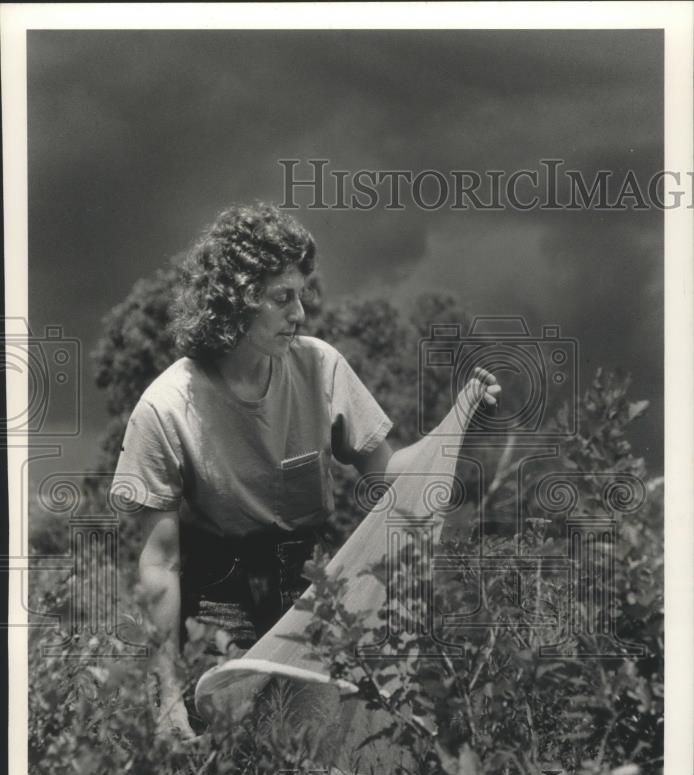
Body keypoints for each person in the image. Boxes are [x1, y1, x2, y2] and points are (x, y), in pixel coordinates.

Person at [110, 203, 501, 740]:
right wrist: (165, 696)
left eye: (301, 294)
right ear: (235, 299)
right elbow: (159, 562)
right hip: (218, 588)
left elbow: (393, 477)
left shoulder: (321, 366)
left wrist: (458, 422)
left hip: (308, 583)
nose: (300, 313)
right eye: (282, 298)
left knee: (310, 748)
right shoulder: (165, 408)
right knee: (232, 746)